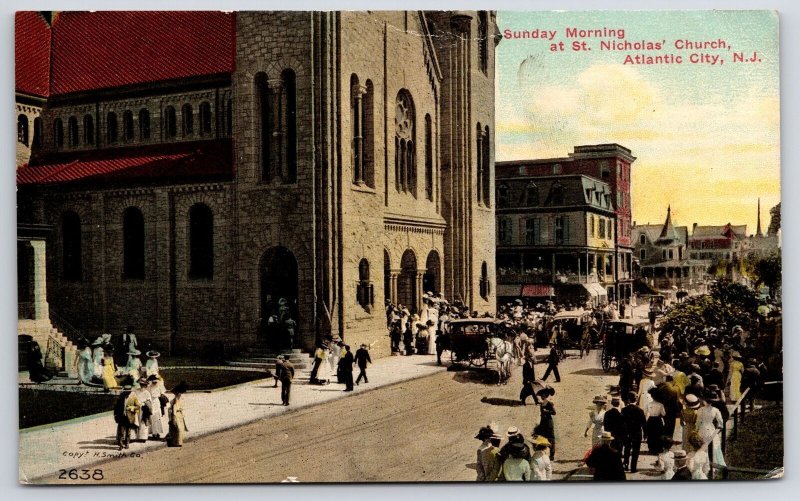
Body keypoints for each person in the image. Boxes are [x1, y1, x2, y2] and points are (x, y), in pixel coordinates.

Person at [621, 391, 646, 473]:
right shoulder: (640, 410)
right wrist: (645, 434)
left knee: (627, 449)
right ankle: (633, 468)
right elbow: (643, 423)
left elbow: (622, 423)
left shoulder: (624, 410)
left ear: (628, 400)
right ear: (636, 400)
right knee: (636, 450)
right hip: (637, 433)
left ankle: (626, 464)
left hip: (627, 433)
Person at [114, 379, 140, 450]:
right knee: (121, 432)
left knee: (128, 432)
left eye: (128, 391)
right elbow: (116, 407)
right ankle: (121, 444)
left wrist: (131, 408)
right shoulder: (121, 396)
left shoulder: (133, 397)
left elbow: (138, 406)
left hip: (130, 417)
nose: (127, 392)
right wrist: (116, 416)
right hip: (122, 417)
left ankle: (127, 443)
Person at [533, 387, 557, 461]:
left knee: (550, 438)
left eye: (542, 395)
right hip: (543, 421)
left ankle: (552, 455)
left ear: (546, 395)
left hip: (548, 422)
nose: (541, 397)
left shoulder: (549, 403)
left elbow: (554, 412)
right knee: (542, 436)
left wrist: (546, 411)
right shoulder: (542, 403)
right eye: (541, 396)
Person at [167, 382, 189, 447]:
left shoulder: (177, 400)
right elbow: (172, 410)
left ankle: (178, 442)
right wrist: (172, 418)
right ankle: (177, 442)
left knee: (180, 428)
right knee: (178, 428)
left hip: (179, 415)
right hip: (176, 415)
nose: (180, 395)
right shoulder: (173, 401)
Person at [132, 377, 152, 442]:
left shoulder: (147, 393)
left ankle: (143, 437)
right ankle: (136, 436)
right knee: (136, 422)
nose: (142, 386)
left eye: (143, 385)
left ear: (145, 385)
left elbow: (149, 401)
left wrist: (144, 403)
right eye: (141, 384)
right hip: (137, 408)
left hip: (144, 409)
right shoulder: (136, 391)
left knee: (143, 422)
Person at [146, 375, 166, 439]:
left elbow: (162, 394)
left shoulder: (159, 386)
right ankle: (153, 433)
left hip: (157, 402)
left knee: (157, 418)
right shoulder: (149, 387)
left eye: (156, 381)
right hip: (151, 402)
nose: (155, 383)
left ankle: (157, 433)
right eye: (153, 381)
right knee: (152, 417)